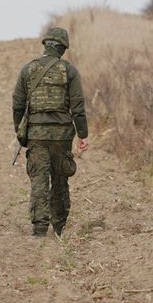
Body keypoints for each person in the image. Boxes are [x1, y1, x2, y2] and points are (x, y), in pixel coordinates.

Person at [12, 27, 89, 237]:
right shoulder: (70, 71)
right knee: (60, 179)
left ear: (45, 45)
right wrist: (83, 134)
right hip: (62, 136)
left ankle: (39, 228)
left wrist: (20, 129)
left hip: (36, 134)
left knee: (39, 179)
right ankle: (59, 225)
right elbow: (78, 106)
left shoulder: (28, 69)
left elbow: (18, 103)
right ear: (63, 48)